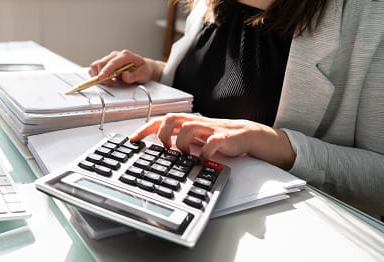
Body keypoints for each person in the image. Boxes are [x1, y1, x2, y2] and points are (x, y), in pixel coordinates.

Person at [89, 0, 384, 216]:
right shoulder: (211, 4)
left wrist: (273, 142)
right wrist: (153, 71)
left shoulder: (371, 16)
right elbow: (220, 88)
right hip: (180, 192)